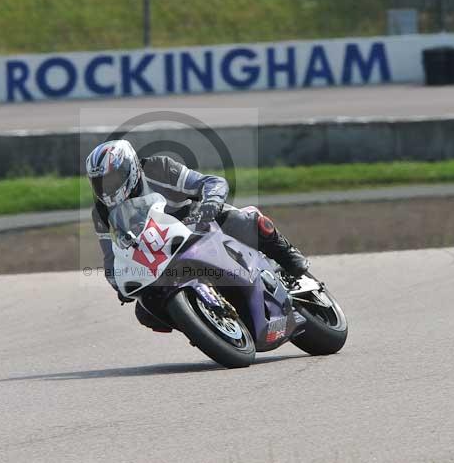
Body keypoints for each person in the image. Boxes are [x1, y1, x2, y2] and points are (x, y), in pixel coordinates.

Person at [86, 139, 311, 331]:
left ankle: (286, 253)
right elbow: (111, 258)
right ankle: (203, 324)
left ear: (130, 168)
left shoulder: (159, 169)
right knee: (146, 311)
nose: (106, 187)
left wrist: (210, 204)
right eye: (99, 183)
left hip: (199, 223)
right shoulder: (102, 212)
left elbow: (211, 182)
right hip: (160, 254)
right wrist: (119, 284)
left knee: (244, 221)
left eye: (112, 178)